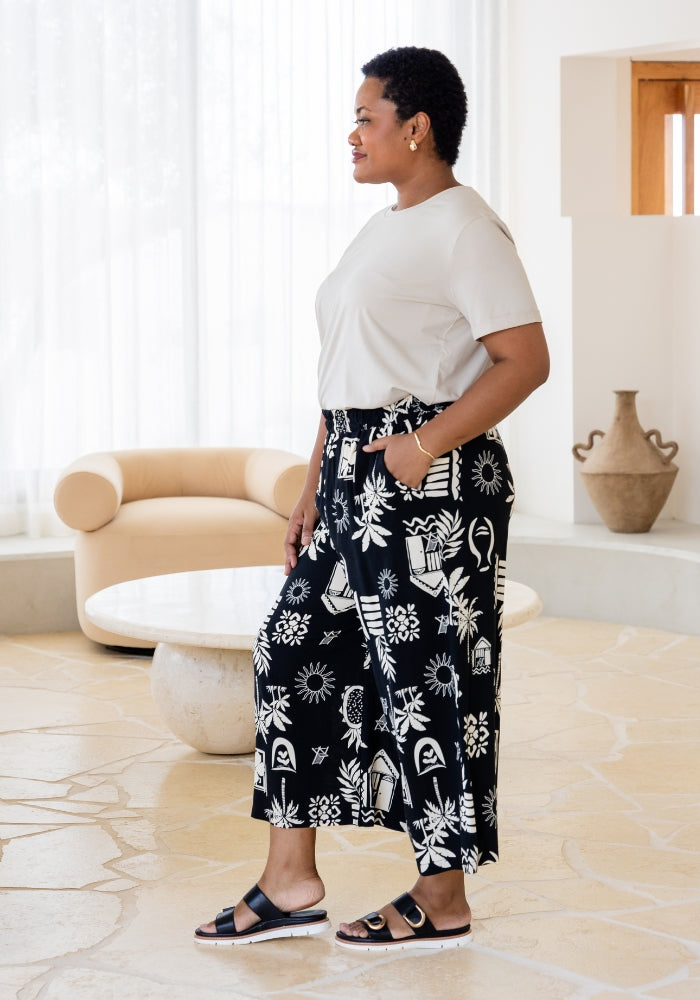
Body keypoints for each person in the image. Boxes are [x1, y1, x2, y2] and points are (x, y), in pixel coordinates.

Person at [195, 45, 549, 952]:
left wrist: (424, 444)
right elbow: (347, 372)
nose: (351, 134)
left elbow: (525, 360)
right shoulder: (385, 225)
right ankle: (291, 879)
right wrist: (316, 479)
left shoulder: (467, 227)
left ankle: (442, 896)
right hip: (356, 466)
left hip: (431, 476)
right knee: (292, 646)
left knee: (428, 682)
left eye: (365, 117)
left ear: (417, 127)